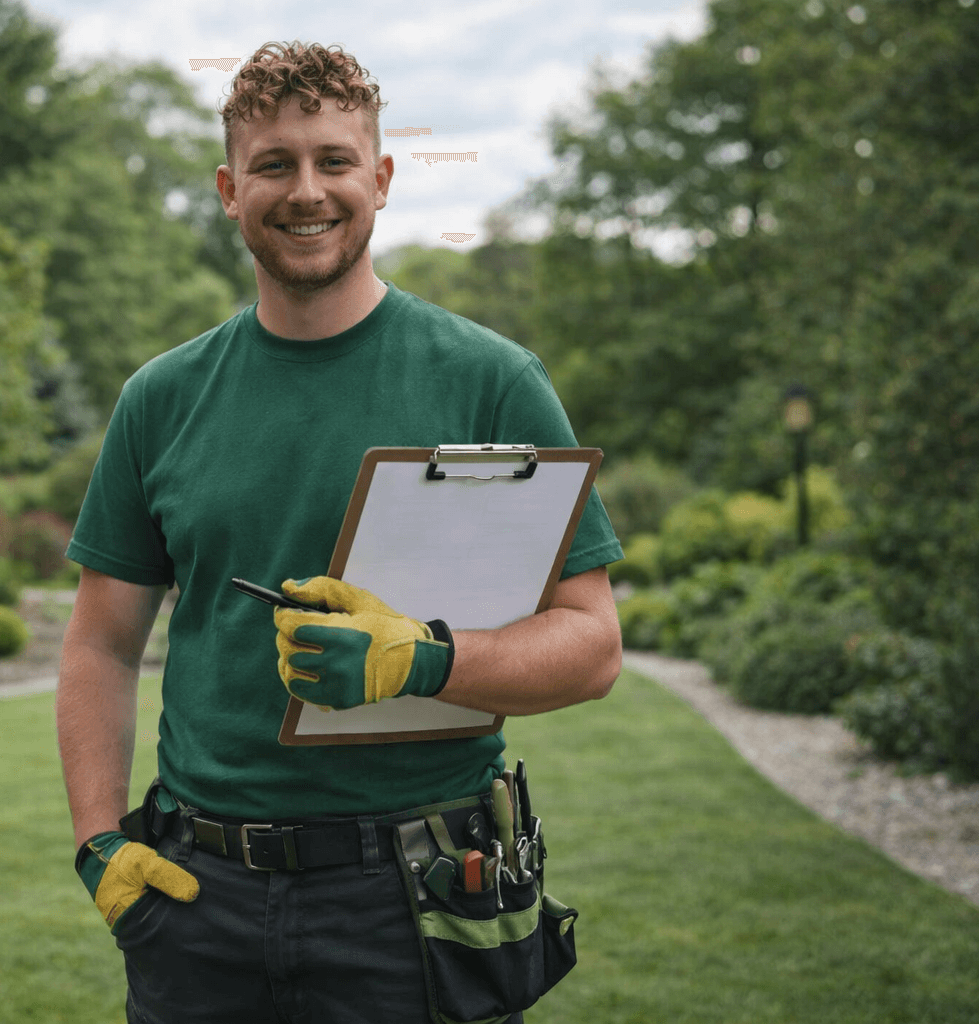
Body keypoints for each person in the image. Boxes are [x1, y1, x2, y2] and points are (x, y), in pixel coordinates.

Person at [56, 39, 624, 1024]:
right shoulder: (162, 397)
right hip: (198, 899)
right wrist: (100, 841)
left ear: (383, 179)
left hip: (419, 896)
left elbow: (592, 643)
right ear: (231, 190)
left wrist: (425, 659)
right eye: (274, 164)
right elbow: (101, 643)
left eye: (334, 161)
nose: (306, 190)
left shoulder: (489, 379)